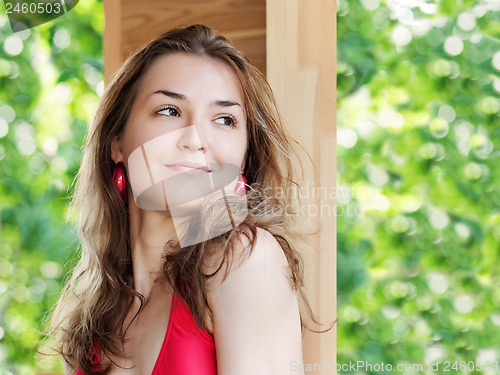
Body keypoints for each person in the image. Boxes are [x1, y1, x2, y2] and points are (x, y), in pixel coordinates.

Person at [47, 24, 327, 375]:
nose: (195, 139)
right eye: (169, 111)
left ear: (242, 158)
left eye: (224, 119)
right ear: (116, 141)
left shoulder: (242, 260)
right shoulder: (97, 317)